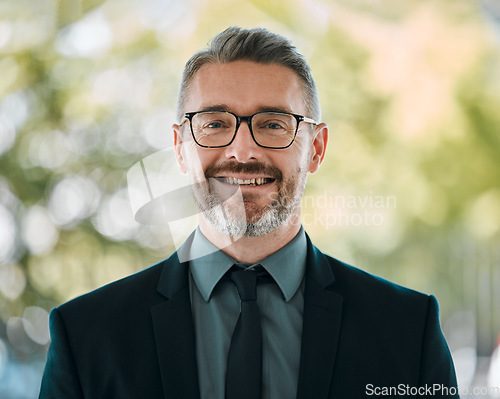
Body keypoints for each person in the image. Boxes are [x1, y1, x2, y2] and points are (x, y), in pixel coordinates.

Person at [39, 27, 459, 399]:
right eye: (215, 123)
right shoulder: (85, 336)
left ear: (316, 149)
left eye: (274, 124)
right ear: (180, 146)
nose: (242, 151)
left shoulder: (408, 331)